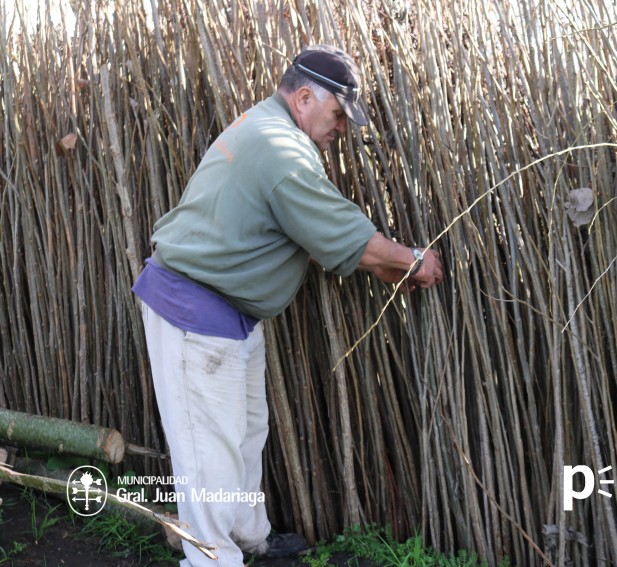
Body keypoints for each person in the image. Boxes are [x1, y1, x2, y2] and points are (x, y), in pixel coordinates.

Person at [132, 44, 443, 566]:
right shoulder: (282, 150)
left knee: (246, 434)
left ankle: (248, 539)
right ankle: (210, 559)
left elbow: (337, 242)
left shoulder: (265, 128)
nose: (342, 128)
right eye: (339, 114)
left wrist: (391, 266)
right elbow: (351, 240)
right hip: (194, 312)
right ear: (303, 97)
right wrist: (413, 260)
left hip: (226, 310)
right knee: (208, 457)